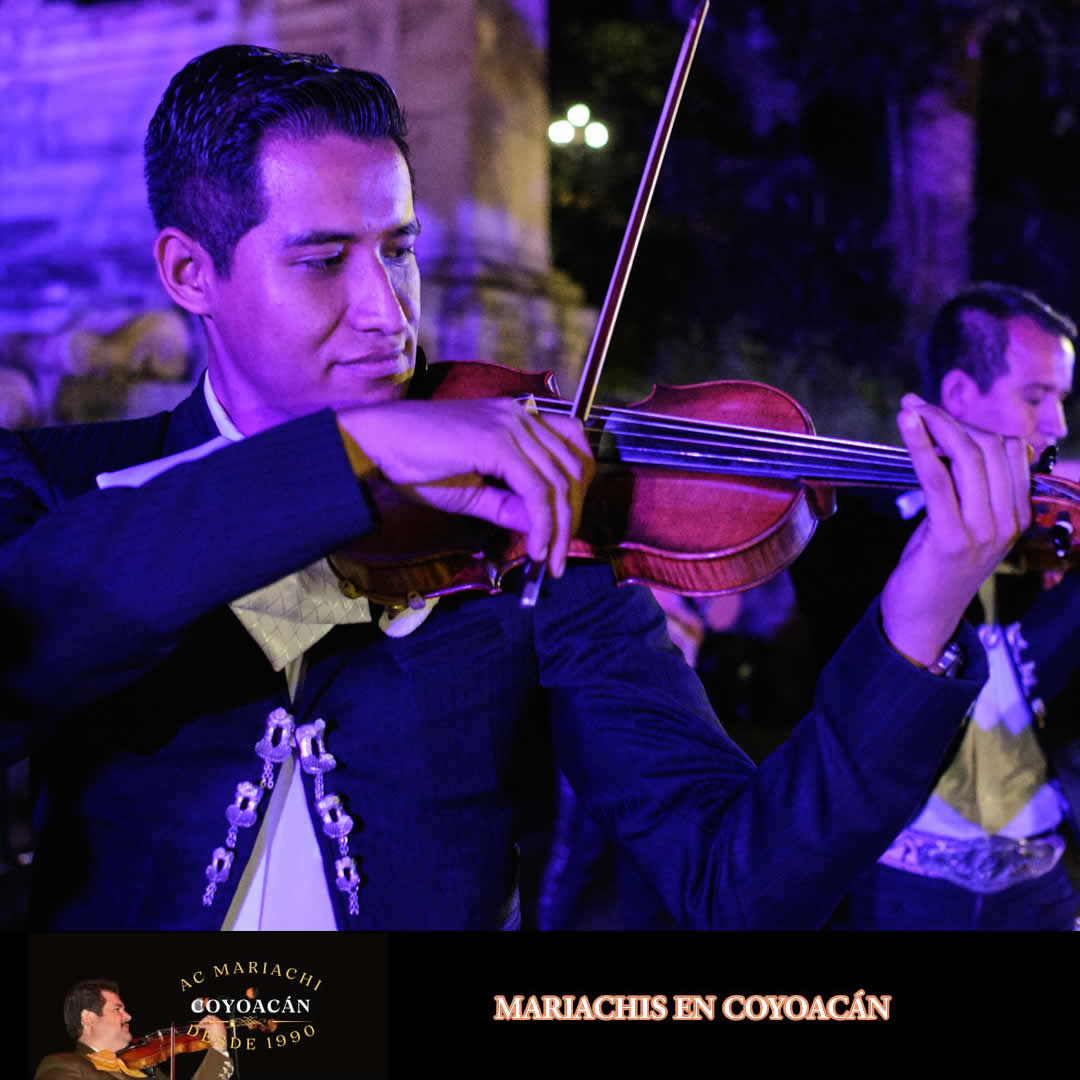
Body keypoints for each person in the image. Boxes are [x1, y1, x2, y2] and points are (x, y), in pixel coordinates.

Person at [0, 46, 1033, 930]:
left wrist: (924, 604)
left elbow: (737, 881)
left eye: (399, 249)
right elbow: (33, 637)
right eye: (322, 260)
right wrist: (356, 449)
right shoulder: (58, 486)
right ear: (189, 273)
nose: (383, 313)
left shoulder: (537, 520)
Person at [792, 282, 1080, 930]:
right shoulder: (856, 535)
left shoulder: (1058, 536)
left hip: (1042, 884)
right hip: (898, 884)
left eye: (1061, 398)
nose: (1060, 424)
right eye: (1037, 397)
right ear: (957, 398)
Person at [34, 980, 230, 1079]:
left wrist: (218, 1047)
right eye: (118, 1009)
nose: (128, 1016)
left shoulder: (145, 1068)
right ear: (88, 1018)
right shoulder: (61, 1064)